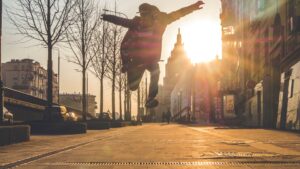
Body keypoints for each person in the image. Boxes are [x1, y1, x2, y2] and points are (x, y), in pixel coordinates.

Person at [102, 1, 205, 108]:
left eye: (145, 15)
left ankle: (150, 98)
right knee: (133, 87)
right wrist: (107, 17)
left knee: (156, 71)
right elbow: (121, 21)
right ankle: (129, 69)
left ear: (151, 15)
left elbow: (178, 14)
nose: (143, 18)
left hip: (151, 59)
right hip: (137, 59)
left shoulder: (161, 21)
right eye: (141, 15)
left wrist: (193, 7)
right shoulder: (136, 23)